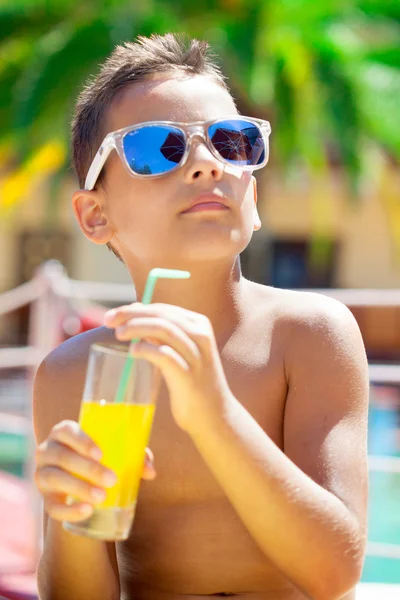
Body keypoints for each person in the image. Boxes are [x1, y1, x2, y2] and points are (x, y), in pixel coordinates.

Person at [33, 33, 369, 600]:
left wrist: (214, 416)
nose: (206, 164)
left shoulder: (308, 335)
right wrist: (74, 518)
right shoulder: (74, 374)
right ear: (94, 215)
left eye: (231, 142)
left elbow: (333, 573)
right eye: (158, 147)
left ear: (253, 200)